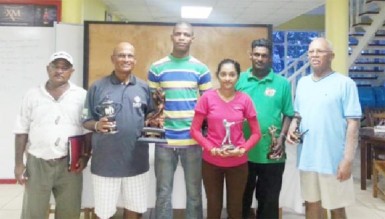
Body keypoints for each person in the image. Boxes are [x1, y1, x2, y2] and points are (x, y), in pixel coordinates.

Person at [286, 37, 361, 219]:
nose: (314, 55)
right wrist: (291, 130)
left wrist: (348, 160)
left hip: (334, 160)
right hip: (308, 158)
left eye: (320, 51)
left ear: (331, 56)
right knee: (311, 204)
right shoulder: (303, 83)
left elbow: (353, 124)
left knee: (336, 207)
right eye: (311, 51)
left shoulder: (345, 84)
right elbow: (297, 115)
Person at [147, 22, 212, 219]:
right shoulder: (157, 68)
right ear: (172, 37)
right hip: (164, 140)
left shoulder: (201, 69)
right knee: (163, 193)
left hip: (192, 140)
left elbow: (209, 105)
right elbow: (153, 106)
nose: (182, 37)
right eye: (178, 34)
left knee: (194, 194)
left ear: (193, 38)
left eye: (186, 34)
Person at [13, 51, 89, 219]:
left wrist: (85, 156)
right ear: (48, 68)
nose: (59, 71)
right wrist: (19, 164)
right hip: (38, 162)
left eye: (65, 67)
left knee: (69, 212)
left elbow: (87, 131)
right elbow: (21, 130)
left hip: (70, 164)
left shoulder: (82, 95)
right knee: (33, 212)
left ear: (72, 71)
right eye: (55, 66)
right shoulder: (32, 95)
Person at [82, 42, 154, 219]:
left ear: (135, 60)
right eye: (121, 55)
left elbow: (151, 116)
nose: (126, 59)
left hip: (136, 162)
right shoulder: (97, 87)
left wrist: (155, 121)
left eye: (130, 56)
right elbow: (86, 120)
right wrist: (97, 125)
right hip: (105, 163)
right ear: (113, 59)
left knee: (134, 209)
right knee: (104, 213)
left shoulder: (143, 88)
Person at [190, 59, 262, 219]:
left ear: (237, 77)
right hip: (211, 163)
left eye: (232, 74)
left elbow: (256, 133)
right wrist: (212, 149)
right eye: (223, 74)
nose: (227, 78)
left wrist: (242, 149)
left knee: (235, 209)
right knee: (213, 208)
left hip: (238, 164)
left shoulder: (245, 100)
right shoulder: (207, 98)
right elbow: (194, 130)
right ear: (218, 76)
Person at [235, 38, 294, 219]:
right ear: (250, 55)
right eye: (257, 55)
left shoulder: (282, 83)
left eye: (264, 56)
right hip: (243, 152)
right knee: (241, 200)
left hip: (272, 153)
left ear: (270, 59)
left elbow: (288, 113)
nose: (260, 58)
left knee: (268, 201)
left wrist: (282, 138)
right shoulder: (239, 79)